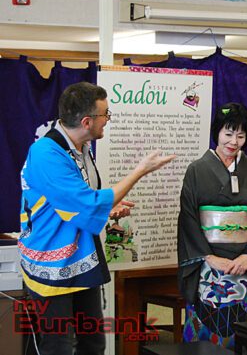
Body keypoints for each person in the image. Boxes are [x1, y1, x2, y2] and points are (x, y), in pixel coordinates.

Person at [18, 81, 175, 355]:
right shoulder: (46, 153)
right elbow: (86, 202)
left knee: (93, 342)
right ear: (87, 121)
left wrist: (108, 207)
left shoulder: (81, 146)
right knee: (57, 346)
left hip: (80, 257)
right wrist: (140, 170)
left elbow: (76, 199)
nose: (108, 120)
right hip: (50, 261)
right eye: (105, 114)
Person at [177, 102, 247, 349]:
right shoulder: (196, 170)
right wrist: (209, 257)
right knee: (204, 329)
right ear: (217, 132)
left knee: (241, 330)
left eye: (240, 136)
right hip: (207, 262)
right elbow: (188, 218)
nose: (233, 141)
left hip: (243, 264)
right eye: (228, 133)